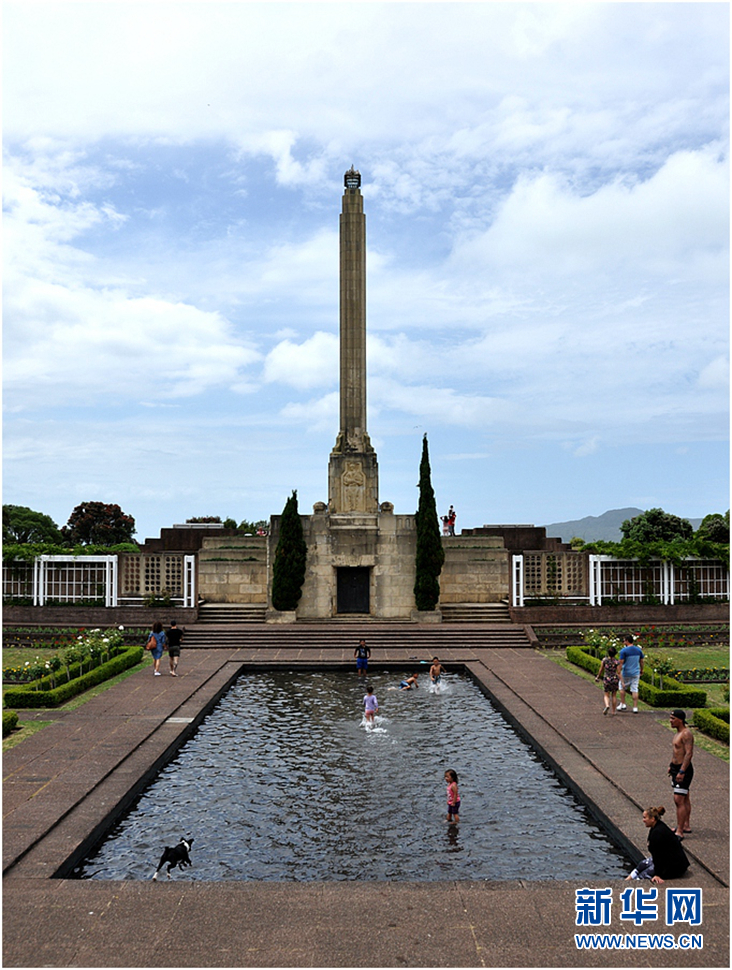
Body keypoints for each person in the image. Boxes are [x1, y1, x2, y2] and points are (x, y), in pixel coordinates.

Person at [625, 805, 689, 883]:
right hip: (667, 859)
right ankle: (627, 880)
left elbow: (658, 856)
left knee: (645, 874)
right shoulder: (656, 826)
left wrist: (658, 874)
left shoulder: (658, 833)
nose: (643, 820)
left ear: (652, 819)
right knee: (642, 864)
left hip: (674, 866)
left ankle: (632, 885)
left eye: (645, 818)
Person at [669, 709, 694, 837]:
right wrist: (671, 766)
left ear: (680, 720)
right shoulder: (677, 733)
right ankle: (685, 825)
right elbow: (676, 752)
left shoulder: (686, 734)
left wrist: (682, 771)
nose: (670, 721)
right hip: (675, 768)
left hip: (683, 770)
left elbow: (689, 754)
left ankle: (680, 831)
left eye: (673, 718)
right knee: (685, 798)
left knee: (679, 800)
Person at [617, 634, 644, 712]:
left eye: (624, 640)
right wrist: (642, 669)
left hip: (626, 672)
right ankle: (635, 707)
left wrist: (619, 671)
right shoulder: (638, 650)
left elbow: (621, 663)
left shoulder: (624, 651)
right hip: (635, 672)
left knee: (622, 687)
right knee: (635, 689)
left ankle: (623, 703)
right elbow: (641, 661)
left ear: (627, 641)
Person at [594, 644, 620, 715]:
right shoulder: (616, 662)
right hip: (614, 679)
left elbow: (601, 669)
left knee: (606, 694)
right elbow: (619, 672)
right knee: (614, 695)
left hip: (607, 679)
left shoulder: (605, 660)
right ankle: (613, 711)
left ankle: (607, 705)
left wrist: (598, 677)